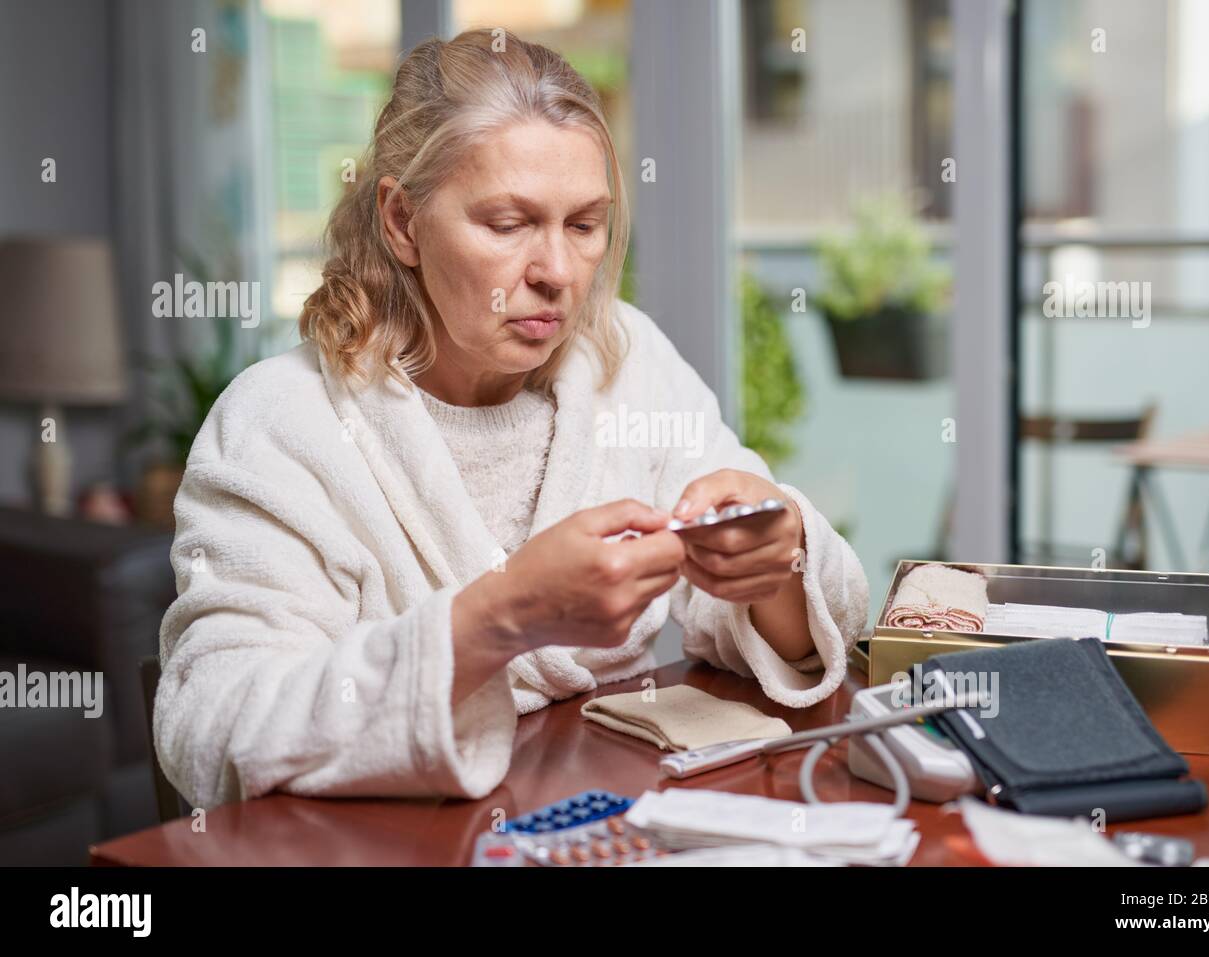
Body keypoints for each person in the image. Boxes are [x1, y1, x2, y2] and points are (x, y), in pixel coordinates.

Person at [153, 28, 869, 810]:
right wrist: (500, 615)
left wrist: (777, 561)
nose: (557, 273)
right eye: (507, 224)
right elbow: (214, 724)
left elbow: (795, 636)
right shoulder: (281, 425)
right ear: (401, 221)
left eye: (584, 225)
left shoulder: (628, 364)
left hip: (608, 824)